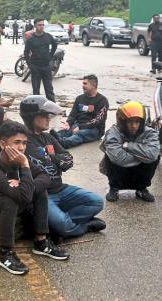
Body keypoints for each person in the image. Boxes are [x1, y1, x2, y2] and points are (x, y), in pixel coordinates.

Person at [0, 121, 65, 276]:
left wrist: (24, 181)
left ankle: (41, 242)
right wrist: (25, 166)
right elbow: (23, 196)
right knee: (11, 199)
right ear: (3, 143)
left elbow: (45, 177)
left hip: (5, 201)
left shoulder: (17, 158)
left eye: (24, 143)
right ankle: (6, 254)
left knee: (39, 190)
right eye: (17, 142)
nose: (21, 148)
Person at [20, 95, 106, 240]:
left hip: (61, 188)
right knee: (61, 223)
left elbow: (68, 160)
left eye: (48, 115)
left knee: (97, 202)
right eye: (43, 115)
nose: (48, 118)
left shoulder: (49, 138)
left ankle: (57, 227)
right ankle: (81, 227)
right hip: (42, 195)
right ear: (31, 117)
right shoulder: (22, 141)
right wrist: (55, 160)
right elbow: (47, 164)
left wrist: (51, 158)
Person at [101, 101, 160, 203]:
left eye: (137, 122)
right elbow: (119, 158)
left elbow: (153, 154)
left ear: (142, 122)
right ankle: (114, 188)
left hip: (140, 170)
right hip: (119, 169)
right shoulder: (113, 132)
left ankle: (142, 188)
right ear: (123, 122)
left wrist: (128, 146)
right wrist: (142, 155)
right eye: (130, 122)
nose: (134, 126)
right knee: (109, 155)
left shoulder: (150, 133)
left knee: (155, 157)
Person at [52, 75, 109, 148]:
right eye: (83, 83)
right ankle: (51, 140)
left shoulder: (102, 100)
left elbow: (98, 120)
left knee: (80, 133)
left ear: (93, 85)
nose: (82, 86)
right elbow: (73, 114)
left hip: (95, 129)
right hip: (78, 124)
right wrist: (68, 123)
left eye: (85, 84)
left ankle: (64, 143)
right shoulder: (79, 98)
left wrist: (81, 127)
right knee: (63, 132)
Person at [23, 19, 57, 101]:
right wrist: (29, 65)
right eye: (39, 25)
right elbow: (26, 52)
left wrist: (50, 56)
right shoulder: (31, 39)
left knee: (49, 89)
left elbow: (54, 45)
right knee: (36, 90)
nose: (41, 26)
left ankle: (51, 106)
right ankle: (36, 108)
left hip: (46, 66)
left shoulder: (48, 36)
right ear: (35, 26)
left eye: (42, 25)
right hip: (35, 66)